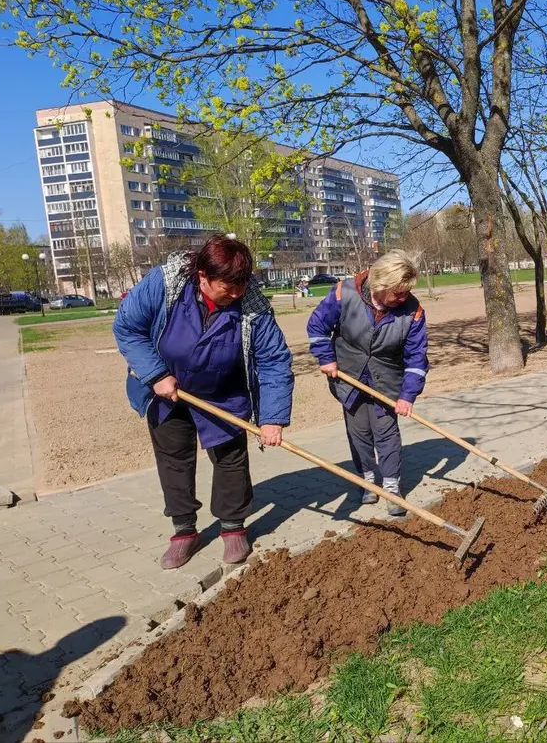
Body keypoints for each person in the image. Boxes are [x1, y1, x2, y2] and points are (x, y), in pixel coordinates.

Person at [113, 235, 294, 569]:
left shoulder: (250, 300)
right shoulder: (165, 283)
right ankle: (184, 531)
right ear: (203, 277)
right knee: (174, 459)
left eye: (242, 285)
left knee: (231, 459)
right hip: (167, 388)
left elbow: (273, 359)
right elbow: (127, 328)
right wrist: (155, 374)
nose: (237, 293)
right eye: (228, 286)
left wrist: (272, 417)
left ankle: (233, 527)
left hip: (224, 391)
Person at [306, 251, 428, 516]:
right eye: (398, 293)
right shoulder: (344, 292)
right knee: (359, 431)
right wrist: (326, 358)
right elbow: (317, 326)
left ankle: (392, 487)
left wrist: (407, 395)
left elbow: (417, 357)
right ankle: (367, 481)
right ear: (380, 286)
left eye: (406, 292)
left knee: (386, 432)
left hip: (386, 379)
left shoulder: (413, 312)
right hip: (348, 376)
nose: (403, 298)